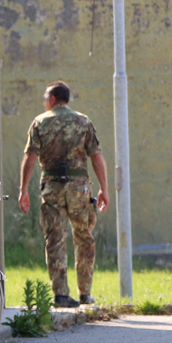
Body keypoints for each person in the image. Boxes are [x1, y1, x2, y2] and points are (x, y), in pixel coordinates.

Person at [18, 80, 109, 308]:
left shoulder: (40, 122)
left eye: (45, 98)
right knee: (84, 237)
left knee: (55, 239)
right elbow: (96, 158)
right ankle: (85, 293)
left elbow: (30, 158)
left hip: (52, 186)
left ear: (52, 99)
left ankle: (60, 294)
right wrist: (104, 189)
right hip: (80, 188)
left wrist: (23, 190)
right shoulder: (83, 121)